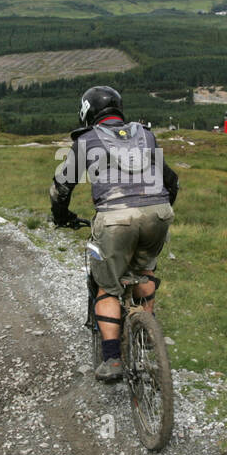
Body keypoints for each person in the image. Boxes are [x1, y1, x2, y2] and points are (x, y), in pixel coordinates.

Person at [50, 86, 180, 381]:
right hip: (158, 213)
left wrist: (61, 217)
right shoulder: (145, 135)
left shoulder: (86, 140)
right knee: (144, 270)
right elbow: (171, 180)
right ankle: (147, 333)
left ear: (87, 112)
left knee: (107, 286)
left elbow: (61, 188)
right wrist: (158, 211)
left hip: (114, 219)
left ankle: (112, 360)